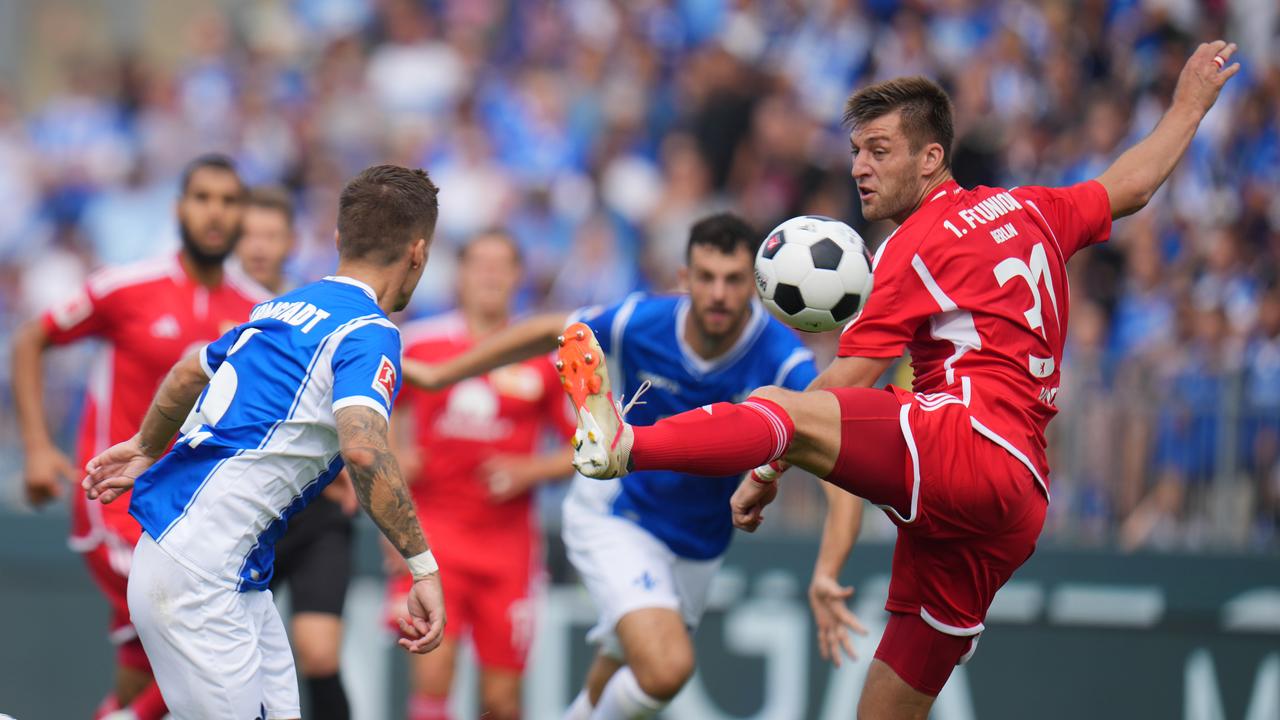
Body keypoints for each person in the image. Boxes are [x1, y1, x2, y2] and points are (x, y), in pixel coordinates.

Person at [558, 42, 1239, 719]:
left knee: (777, 403)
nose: (859, 167)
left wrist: (767, 466)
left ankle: (625, 445)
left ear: (931, 157)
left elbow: (847, 379)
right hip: (1018, 499)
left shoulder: (913, 246)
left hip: (965, 444)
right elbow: (1134, 183)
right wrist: (1190, 102)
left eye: (879, 151)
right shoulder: (1030, 209)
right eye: (856, 150)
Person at [402, 213, 818, 720]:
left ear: (755, 286)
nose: (718, 294)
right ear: (684, 279)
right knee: (665, 669)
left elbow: (830, 443)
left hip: (698, 540)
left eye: (733, 280)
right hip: (617, 514)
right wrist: (440, 377)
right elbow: (555, 331)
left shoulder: (783, 361)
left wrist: (831, 564)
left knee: (618, 666)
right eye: (705, 277)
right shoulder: (640, 321)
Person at [81, 164, 448, 720]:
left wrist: (145, 446)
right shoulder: (370, 332)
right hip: (200, 576)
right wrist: (422, 566)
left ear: (337, 240)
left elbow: (187, 372)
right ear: (418, 253)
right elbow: (366, 449)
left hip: (224, 571)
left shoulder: (278, 308)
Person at [11, 153, 267, 720]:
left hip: (191, 519)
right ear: (179, 208)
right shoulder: (126, 287)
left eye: (229, 201)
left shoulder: (255, 312)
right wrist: (36, 444)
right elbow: (31, 339)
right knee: (188, 624)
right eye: (203, 198)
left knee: (146, 678)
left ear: (243, 215)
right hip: (116, 501)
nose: (215, 213)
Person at [387, 229, 574, 720]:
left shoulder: (544, 355)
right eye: (479, 263)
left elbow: (591, 444)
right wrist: (396, 458)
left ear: (518, 277)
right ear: (460, 275)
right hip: (433, 538)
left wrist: (531, 469)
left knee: (501, 701)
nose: (490, 274)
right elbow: (370, 414)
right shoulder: (421, 345)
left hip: (509, 549)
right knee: (432, 672)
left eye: (502, 264)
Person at [237, 185, 361, 720]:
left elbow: (368, 392)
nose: (260, 247)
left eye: (272, 235)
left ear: (292, 242)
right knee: (230, 664)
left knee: (318, 652)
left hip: (313, 511)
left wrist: (354, 460)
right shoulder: (219, 313)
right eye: (250, 235)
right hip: (245, 512)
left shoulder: (316, 312)